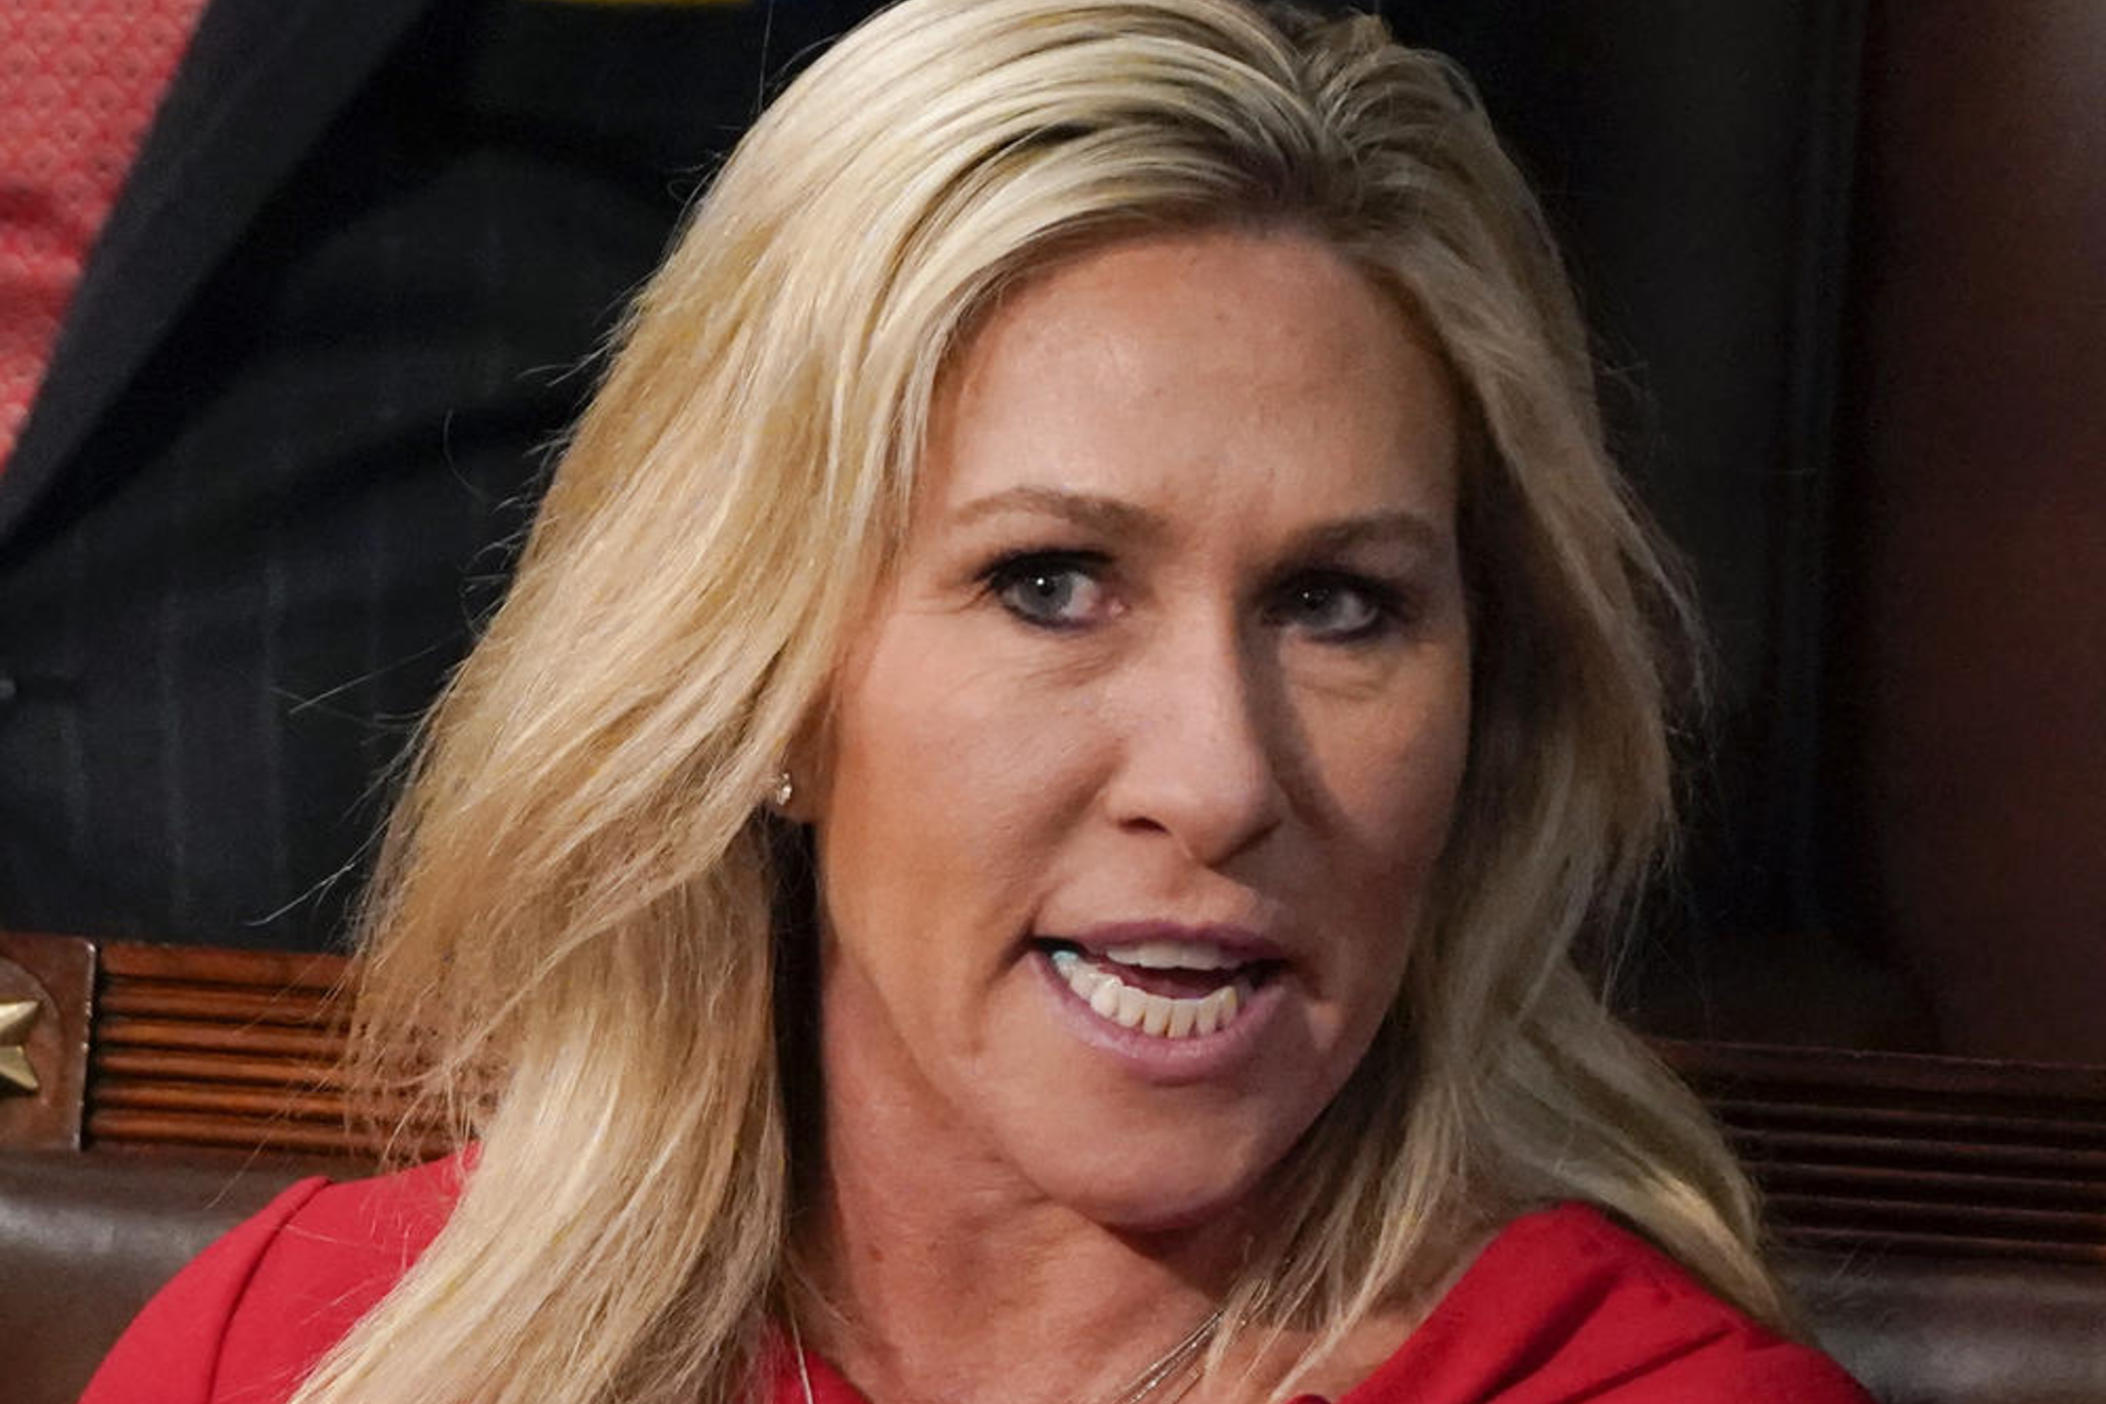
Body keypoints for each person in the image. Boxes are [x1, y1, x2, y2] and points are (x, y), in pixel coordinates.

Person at [80, 2, 1874, 1401]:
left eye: (1339, 605)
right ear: (764, 688)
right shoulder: (308, 1352)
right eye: (1049, 584)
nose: (1217, 775)